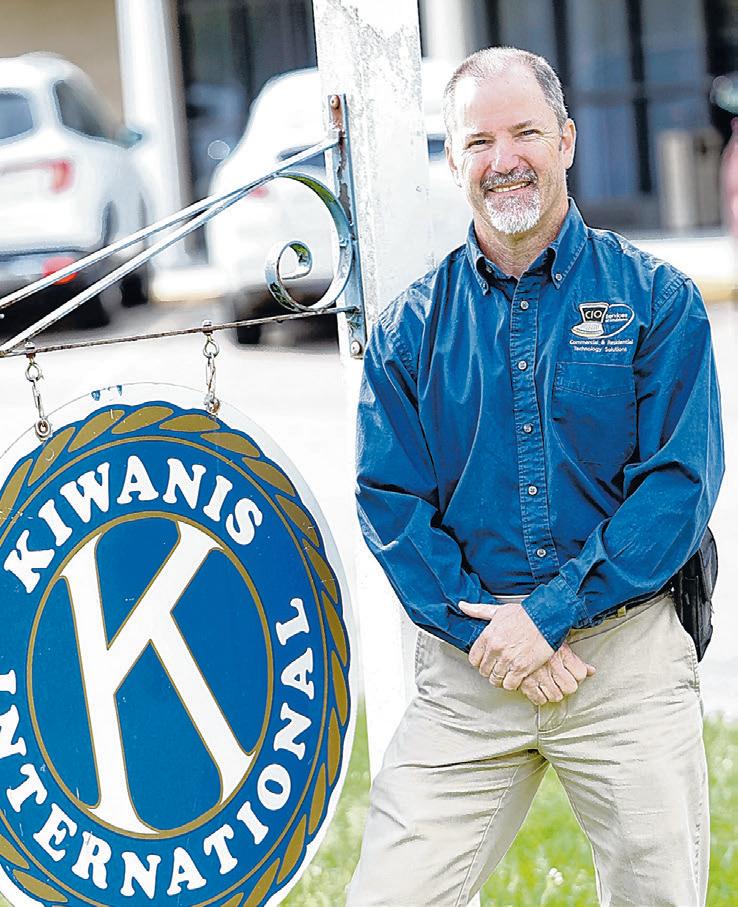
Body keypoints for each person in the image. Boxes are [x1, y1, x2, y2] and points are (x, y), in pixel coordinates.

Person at [348, 46, 724, 907]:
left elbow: (677, 488)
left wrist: (549, 615)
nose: (504, 159)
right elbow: (390, 503)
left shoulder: (657, 301)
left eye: (524, 133)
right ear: (454, 161)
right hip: (471, 666)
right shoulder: (407, 333)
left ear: (567, 140)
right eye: (479, 141)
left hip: (622, 659)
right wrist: (496, 635)